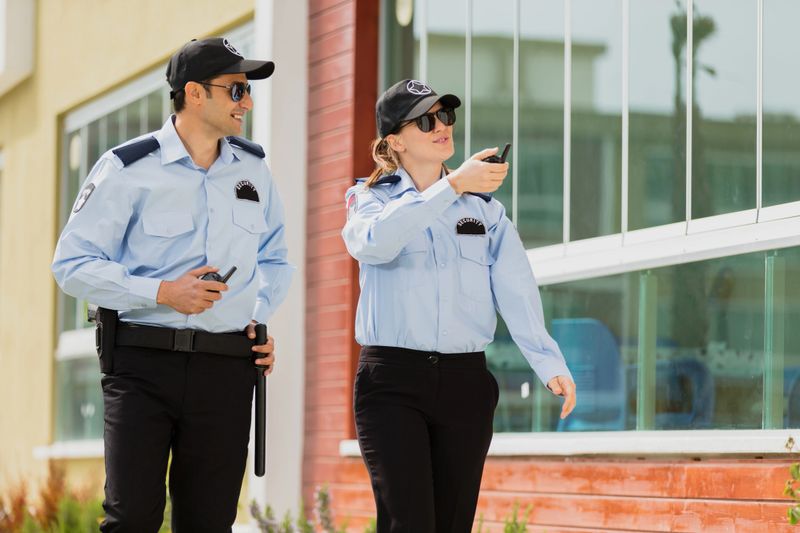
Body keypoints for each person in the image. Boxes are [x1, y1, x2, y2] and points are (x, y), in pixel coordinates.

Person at [51, 37, 293, 532]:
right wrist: (163, 292)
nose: (247, 102)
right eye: (237, 89)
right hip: (142, 367)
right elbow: (71, 264)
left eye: (248, 91)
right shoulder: (126, 168)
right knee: (132, 519)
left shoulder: (254, 171)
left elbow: (275, 259)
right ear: (194, 93)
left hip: (226, 370)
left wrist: (256, 316)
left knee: (209, 522)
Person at [341, 79, 577, 533]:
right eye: (426, 120)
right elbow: (373, 244)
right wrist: (451, 187)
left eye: (446, 116)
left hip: (465, 382)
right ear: (394, 141)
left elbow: (516, 288)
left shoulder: (486, 212)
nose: (442, 126)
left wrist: (548, 363)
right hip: (392, 383)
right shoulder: (369, 200)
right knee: (408, 522)